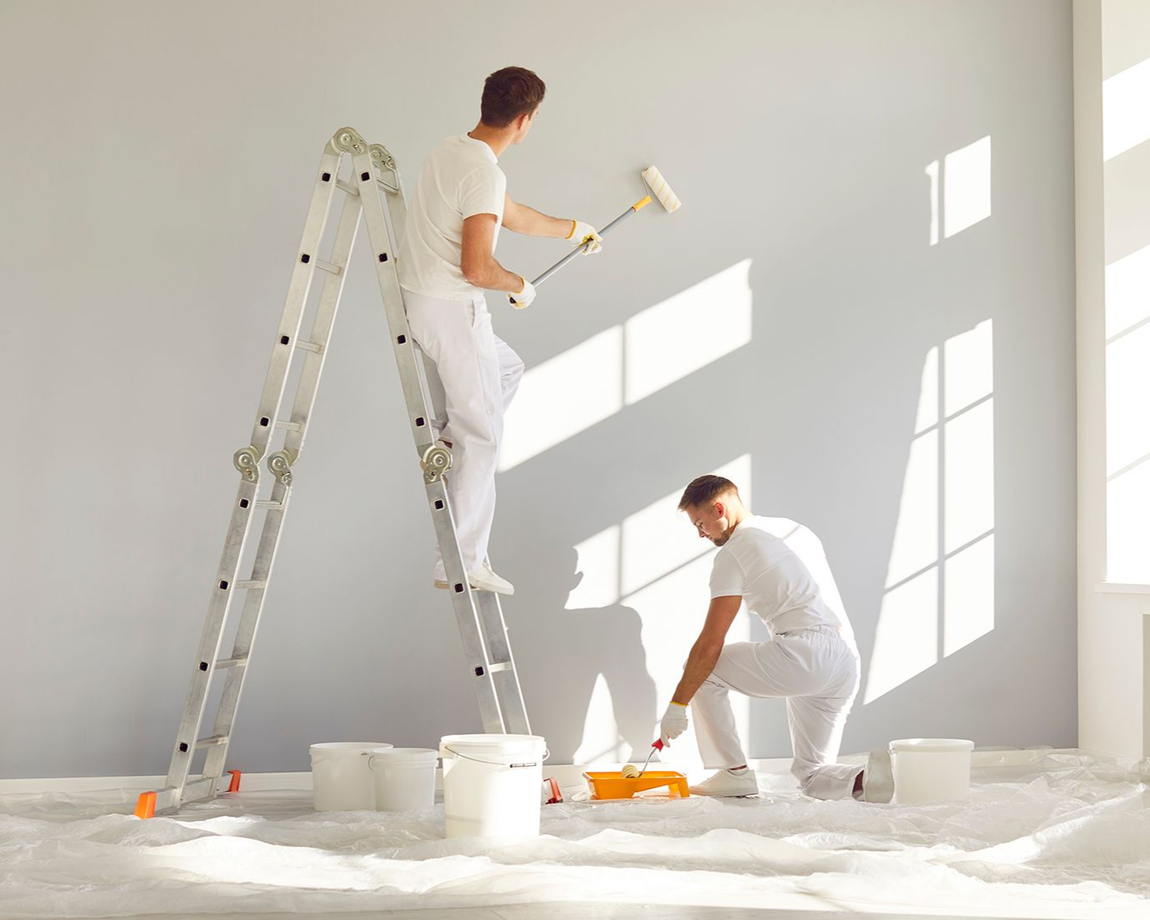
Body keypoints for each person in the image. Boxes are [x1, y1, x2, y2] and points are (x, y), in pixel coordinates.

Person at [397, 66, 602, 595]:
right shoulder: (483, 174)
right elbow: (476, 268)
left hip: (423, 302)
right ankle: (462, 562)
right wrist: (518, 284)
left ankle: (448, 439)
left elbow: (510, 214)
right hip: (452, 310)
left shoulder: (450, 152)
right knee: (483, 437)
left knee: (507, 369)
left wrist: (572, 230)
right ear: (525, 120)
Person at [659, 475, 893, 802]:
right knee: (812, 774)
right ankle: (871, 779)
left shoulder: (734, 552)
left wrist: (677, 705)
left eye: (700, 524)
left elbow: (710, 644)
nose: (701, 534)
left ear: (719, 509)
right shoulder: (796, 530)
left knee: (700, 669)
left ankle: (734, 772)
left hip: (803, 655)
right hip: (845, 660)